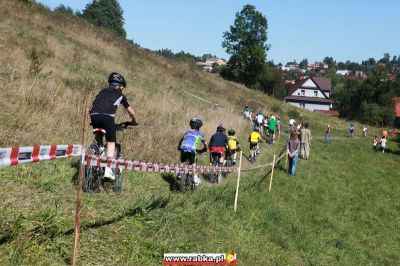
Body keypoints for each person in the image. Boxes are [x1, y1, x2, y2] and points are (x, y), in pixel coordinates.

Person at [90, 72, 138, 180]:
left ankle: (96, 152)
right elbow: (131, 112)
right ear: (120, 86)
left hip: (94, 115)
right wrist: (134, 120)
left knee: (99, 136)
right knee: (111, 143)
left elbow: (92, 107)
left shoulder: (102, 91)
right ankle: (108, 169)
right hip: (107, 117)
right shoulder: (121, 95)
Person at [178, 118, 208, 187]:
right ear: (199, 126)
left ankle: (179, 173)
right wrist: (205, 149)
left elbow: (181, 140)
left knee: (182, 161)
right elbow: (205, 143)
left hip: (184, 148)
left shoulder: (187, 132)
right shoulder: (200, 134)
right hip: (192, 149)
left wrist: (179, 147)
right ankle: (195, 179)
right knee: (193, 164)